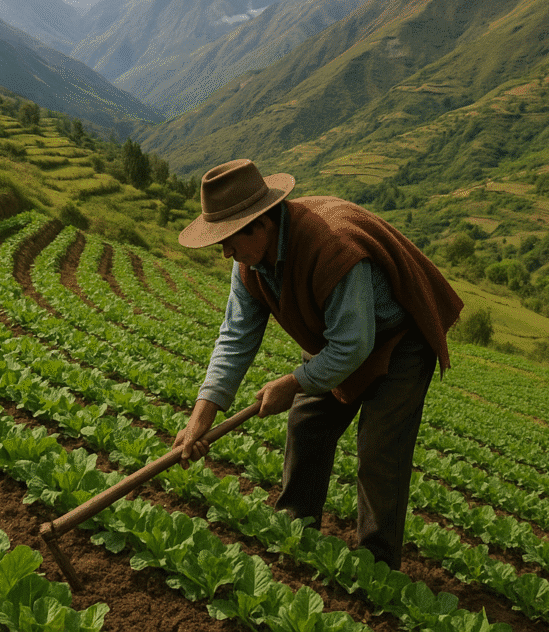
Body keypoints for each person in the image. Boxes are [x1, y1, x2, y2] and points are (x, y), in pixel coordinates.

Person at [174, 158, 463, 569]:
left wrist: (292, 383)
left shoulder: (333, 246)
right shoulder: (249, 265)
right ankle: (293, 531)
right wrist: (200, 416)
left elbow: (353, 345)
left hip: (399, 339)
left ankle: (377, 567)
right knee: (307, 423)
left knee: (379, 452)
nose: (225, 252)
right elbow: (235, 337)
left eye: (228, 239)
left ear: (260, 225)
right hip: (340, 335)